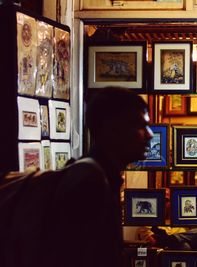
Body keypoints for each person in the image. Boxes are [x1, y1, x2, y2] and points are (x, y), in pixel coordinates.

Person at [5, 87, 153, 267]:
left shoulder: (98, 176)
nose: (149, 134)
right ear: (112, 127)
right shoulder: (90, 182)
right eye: (140, 125)